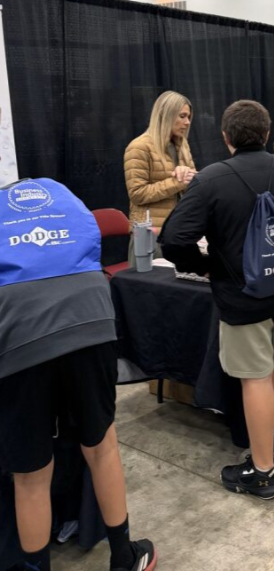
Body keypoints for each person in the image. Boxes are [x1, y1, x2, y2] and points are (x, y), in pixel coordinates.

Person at [160, 101, 274, 500]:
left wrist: (206, 267)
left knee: (253, 376)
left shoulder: (212, 179)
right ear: (267, 134)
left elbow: (174, 239)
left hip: (241, 297)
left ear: (225, 136)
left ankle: (263, 471)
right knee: (271, 364)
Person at [0, 176, 156, 571]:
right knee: (101, 446)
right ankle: (124, 556)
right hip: (91, 318)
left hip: (18, 332)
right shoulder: (61, 196)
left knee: (31, 474)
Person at [124, 91, 196, 261]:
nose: (187, 122)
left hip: (177, 233)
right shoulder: (139, 147)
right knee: (147, 286)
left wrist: (190, 177)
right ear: (166, 115)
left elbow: (193, 183)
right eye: (182, 116)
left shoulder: (182, 144)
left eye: (189, 117)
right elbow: (137, 194)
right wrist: (177, 182)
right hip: (150, 236)